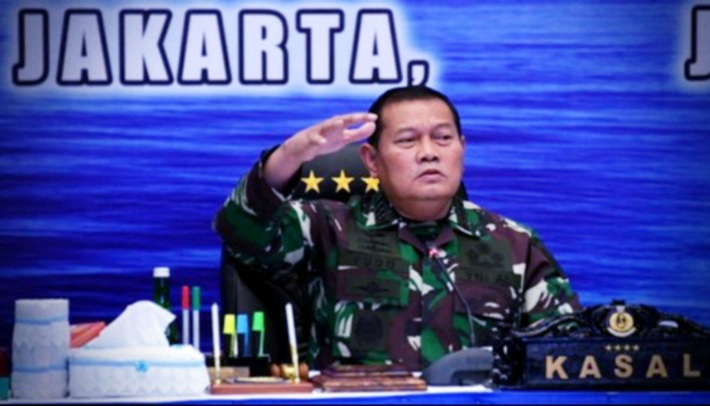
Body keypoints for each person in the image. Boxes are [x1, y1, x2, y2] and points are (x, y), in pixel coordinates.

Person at [214, 85, 581, 371]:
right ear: (372, 160)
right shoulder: (325, 228)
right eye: (407, 140)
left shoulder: (515, 244)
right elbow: (240, 229)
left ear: (462, 148)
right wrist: (290, 155)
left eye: (443, 138)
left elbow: (566, 355)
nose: (429, 152)